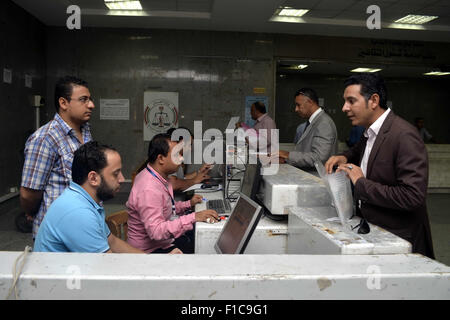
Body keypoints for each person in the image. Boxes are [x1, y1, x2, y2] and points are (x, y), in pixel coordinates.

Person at [325, 73, 434, 259]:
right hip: (374, 231)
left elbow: (412, 196)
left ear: (374, 100)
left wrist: (360, 183)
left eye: (351, 101)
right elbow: (359, 150)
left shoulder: (404, 136)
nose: (344, 108)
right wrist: (343, 157)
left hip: (399, 241)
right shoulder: (370, 131)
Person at [33, 142, 179, 253]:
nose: (122, 179)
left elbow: (112, 242)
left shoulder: (86, 201)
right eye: (116, 174)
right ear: (93, 178)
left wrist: (153, 261)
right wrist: (157, 266)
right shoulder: (78, 212)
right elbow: (107, 266)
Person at [20, 76, 94, 240]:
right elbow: (28, 193)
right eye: (83, 100)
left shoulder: (85, 130)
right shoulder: (45, 138)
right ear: (63, 103)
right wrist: (34, 212)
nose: (91, 105)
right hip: (57, 232)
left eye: (90, 99)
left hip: (83, 224)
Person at [126, 133, 219, 254]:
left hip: (162, 242)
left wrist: (188, 204)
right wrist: (194, 217)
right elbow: (157, 232)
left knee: (196, 236)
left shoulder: (158, 177)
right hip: (148, 252)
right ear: (160, 159)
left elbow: (166, 206)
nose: (181, 158)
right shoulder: (149, 188)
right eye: (176, 154)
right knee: (202, 247)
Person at [277, 88, 338, 171]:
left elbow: (319, 158)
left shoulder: (324, 123)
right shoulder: (314, 121)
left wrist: (287, 155)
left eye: (298, 105)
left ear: (310, 102)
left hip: (318, 179)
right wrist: (285, 159)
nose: (296, 109)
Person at [166, 127, 212, 192]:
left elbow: (181, 178)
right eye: (188, 144)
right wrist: (194, 181)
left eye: (191, 145)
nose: (190, 149)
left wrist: (199, 172)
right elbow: (173, 184)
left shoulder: (179, 158)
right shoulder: (171, 159)